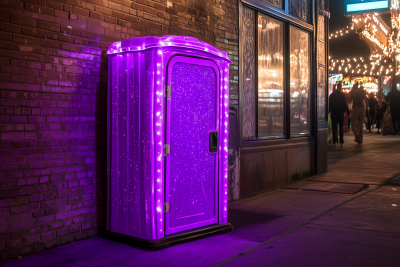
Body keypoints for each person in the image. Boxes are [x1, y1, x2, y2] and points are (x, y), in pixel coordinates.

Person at [329, 82, 350, 147]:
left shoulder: (332, 95)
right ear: (341, 87)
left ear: (336, 87)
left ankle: (335, 141)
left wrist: (328, 112)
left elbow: (329, 105)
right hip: (341, 113)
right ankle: (341, 141)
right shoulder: (342, 95)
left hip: (334, 113)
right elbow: (345, 104)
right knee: (341, 127)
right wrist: (348, 112)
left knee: (334, 127)